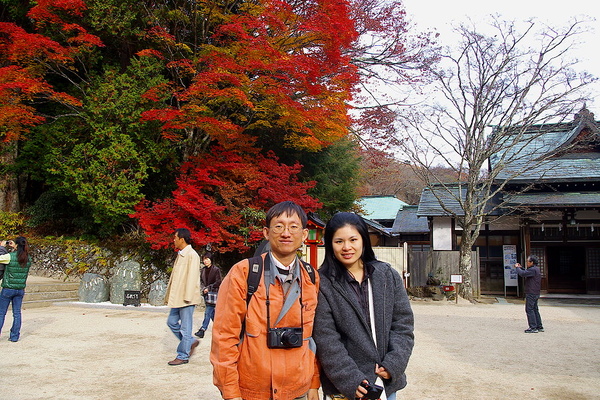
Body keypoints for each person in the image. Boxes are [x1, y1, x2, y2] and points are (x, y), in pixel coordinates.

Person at [210, 201, 320, 400]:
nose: (286, 233)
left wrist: (313, 383)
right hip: (253, 390)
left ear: (304, 235)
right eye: (278, 226)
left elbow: (312, 337)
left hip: (299, 389)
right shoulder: (244, 273)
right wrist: (231, 392)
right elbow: (224, 337)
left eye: (293, 227)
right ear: (266, 233)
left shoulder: (311, 277)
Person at [313, 212, 414, 400]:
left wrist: (394, 363)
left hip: (384, 383)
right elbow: (326, 339)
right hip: (344, 388)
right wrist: (350, 379)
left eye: (353, 239)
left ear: (363, 240)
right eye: (339, 241)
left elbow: (403, 324)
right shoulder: (323, 284)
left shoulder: (387, 276)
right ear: (330, 244)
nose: (347, 247)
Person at [164, 228, 202, 365]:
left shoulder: (192, 255)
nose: (174, 240)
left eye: (175, 237)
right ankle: (191, 342)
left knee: (186, 328)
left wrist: (188, 297)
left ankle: (183, 355)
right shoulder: (181, 254)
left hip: (186, 298)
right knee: (171, 322)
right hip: (178, 297)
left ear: (182, 239)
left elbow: (192, 278)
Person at [0, 236, 32, 342]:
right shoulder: (28, 258)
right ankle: (14, 336)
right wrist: (16, 248)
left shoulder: (9, 256)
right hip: (20, 289)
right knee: (17, 313)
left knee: (1, 313)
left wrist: (2, 247)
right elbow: (20, 256)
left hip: (8, 288)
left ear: (16, 245)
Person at [195, 252, 222, 338]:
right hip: (206, 294)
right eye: (204, 259)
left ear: (211, 260)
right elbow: (201, 281)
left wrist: (209, 288)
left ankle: (202, 329)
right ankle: (220, 328)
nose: (205, 261)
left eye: (207, 259)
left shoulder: (216, 270)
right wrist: (203, 289)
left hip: (213, 293)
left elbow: (218, 281)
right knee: (212, 313)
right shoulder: (203, 270)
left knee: (208, 311)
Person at [514, 255, 543, 333]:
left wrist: (517, 267)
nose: (527, 263)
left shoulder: (533, 269)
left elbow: (523, 274)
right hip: (535, 292)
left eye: (527, 261)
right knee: (535, 309)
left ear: (531, 262)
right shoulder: (535, 269)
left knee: (529, 309)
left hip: (531, 292)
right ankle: (539, 326)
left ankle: (533, 327)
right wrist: (521, 268)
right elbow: (525, 272)